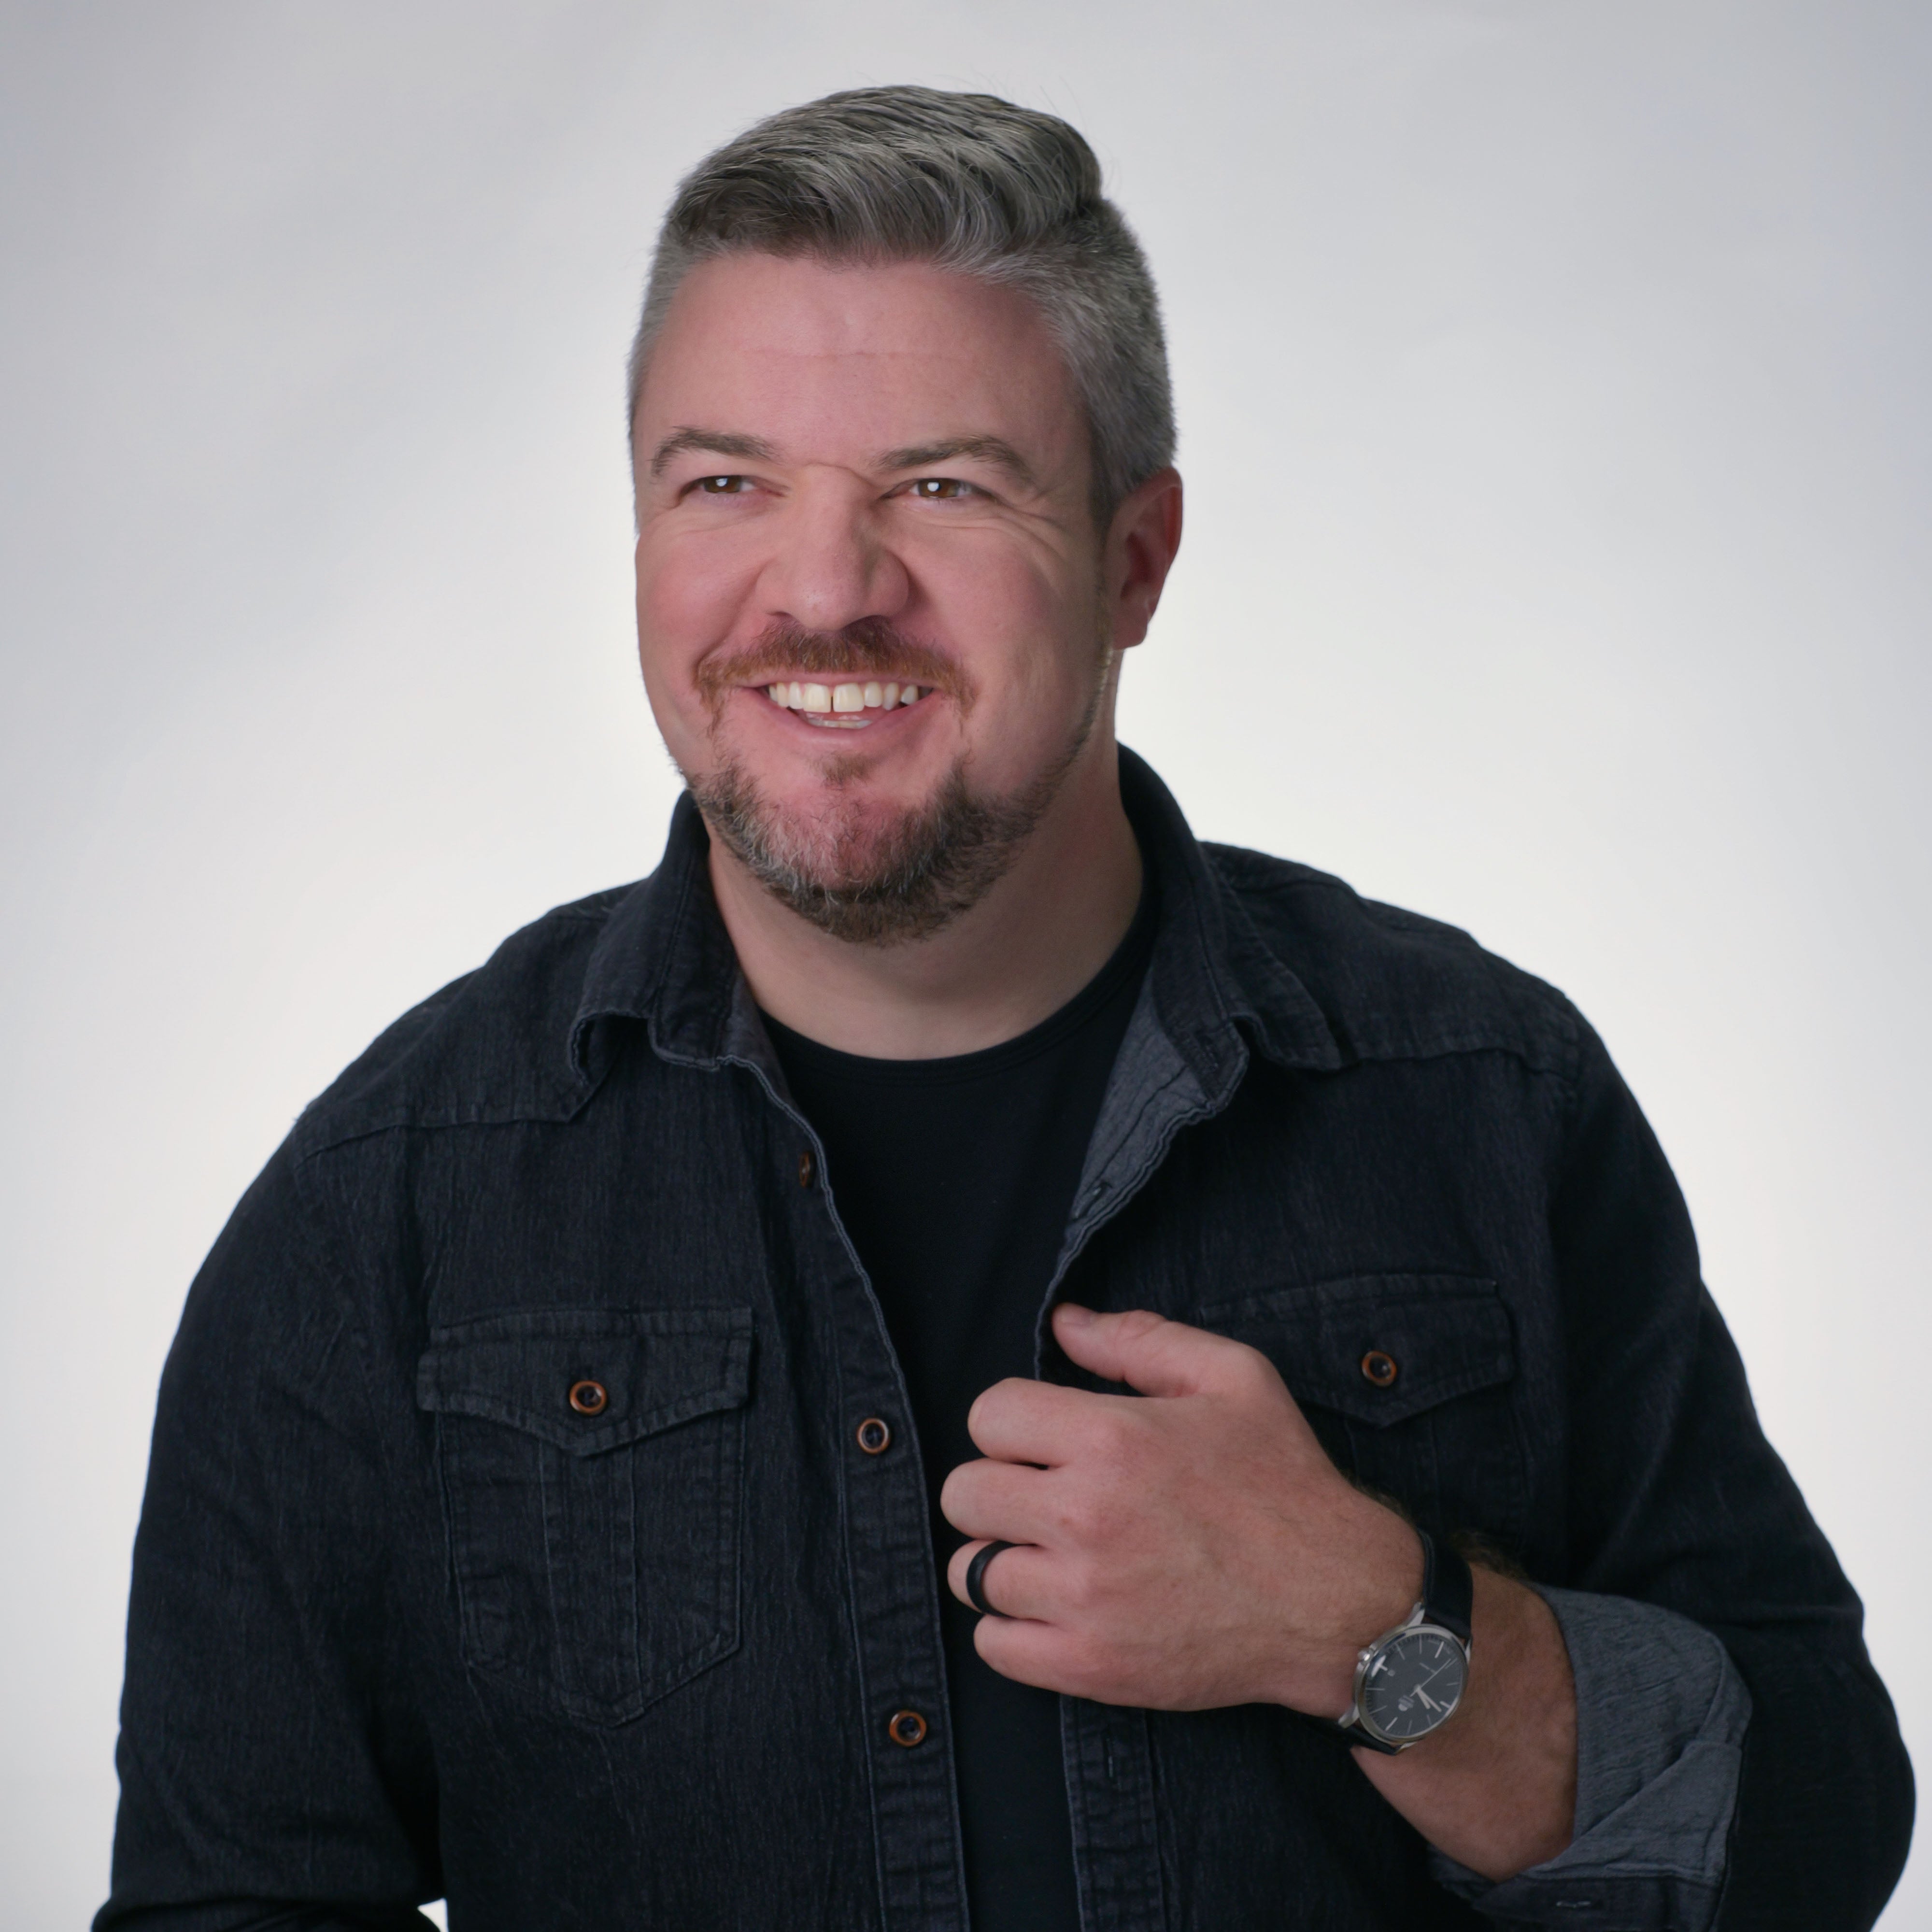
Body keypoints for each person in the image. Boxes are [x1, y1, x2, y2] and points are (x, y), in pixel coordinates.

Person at [99, 86, 1911, 1932]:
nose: (823, 588)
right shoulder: (385, 1201)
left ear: (1135, 560)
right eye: (724, 483)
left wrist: (1383, 1628)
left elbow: (1820, 1829)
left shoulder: (1486, 1100)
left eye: (944, 487)